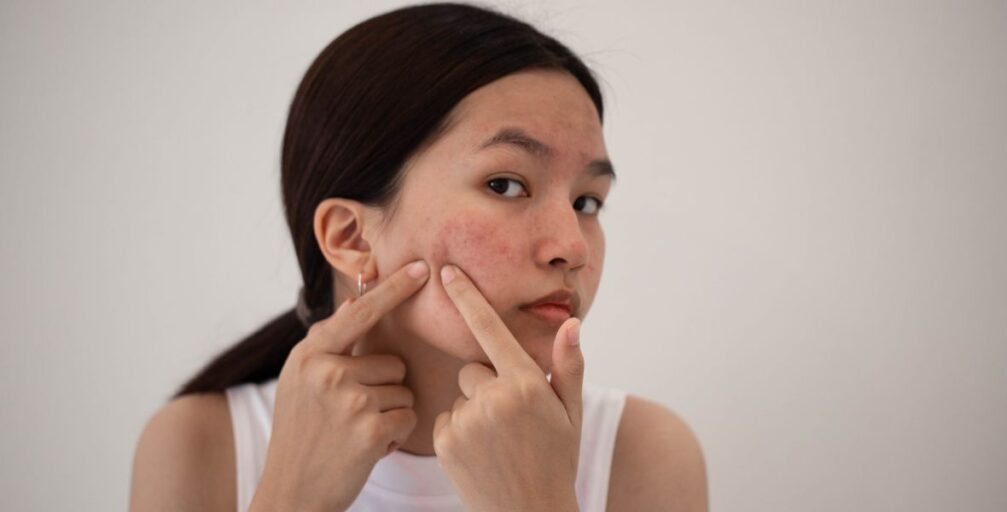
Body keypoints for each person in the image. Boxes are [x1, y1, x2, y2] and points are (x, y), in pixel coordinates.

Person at [129, 3, 707, 511]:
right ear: (352, 238)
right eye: (506, 185)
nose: (572, 247)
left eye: (587, 202)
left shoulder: (641, 452)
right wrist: (290, 498)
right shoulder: (203, 445)